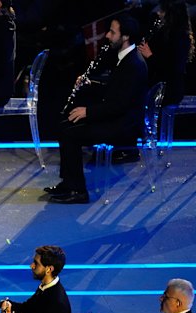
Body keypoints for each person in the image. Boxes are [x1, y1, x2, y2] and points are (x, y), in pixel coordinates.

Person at [46, 14, 148, 204]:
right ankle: (68, 183)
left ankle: (77, 190)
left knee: (70, 133)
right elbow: (115, 89)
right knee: (65, 124)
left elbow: (119, 105)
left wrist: (88, 111)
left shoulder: (133, 64)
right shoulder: (125, 58)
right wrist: (91, 83)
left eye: (112, 32)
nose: (107, 36)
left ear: (125, 37)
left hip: (122, 126)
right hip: (117, 117)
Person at [138, 0, 195, 106]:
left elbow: (172, 67)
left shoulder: (179, 37)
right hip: (159, 86)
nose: (159, 13)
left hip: (168, 90)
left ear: (172, 14)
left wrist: (150, 56)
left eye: (163, 11)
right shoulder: (165, 32)